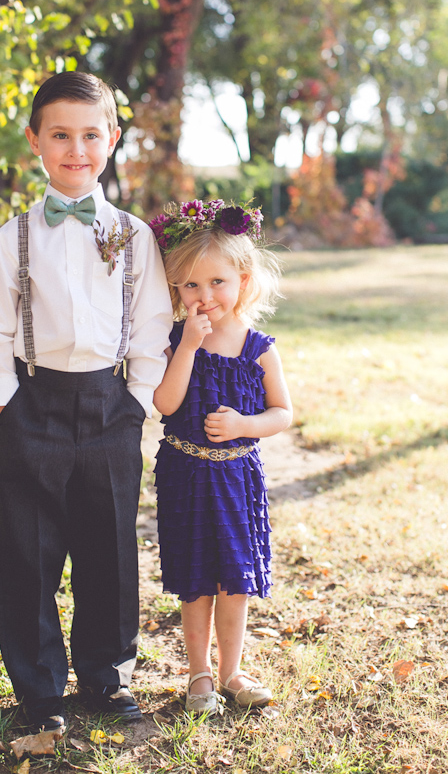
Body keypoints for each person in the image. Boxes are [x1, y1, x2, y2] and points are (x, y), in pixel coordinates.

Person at [0, 72, 172, 734]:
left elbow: (149, 325)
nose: (76, 149)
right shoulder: (14, 238)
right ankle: (40, 687)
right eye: (60, 135)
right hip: (36, 403)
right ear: (36, 142)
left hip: (111, 403)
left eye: (90, 134)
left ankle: (107, 679)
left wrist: (138, 399)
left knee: (108, 544)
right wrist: (5, 399)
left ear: (111, 140)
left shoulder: (135, 236)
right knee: (28, 551)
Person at [149, 199, 292, 717]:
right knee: (196, 580)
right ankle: (199, 676)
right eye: (190, 285)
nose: (204, 296)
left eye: (216, 283)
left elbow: (282, 412)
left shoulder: (258, 347)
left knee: (234, 580)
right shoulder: (172, 340)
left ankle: (232, 671)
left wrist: (244, 426)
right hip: (186, 473)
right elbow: (164, 404)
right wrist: (187, 347)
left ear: (243, 281)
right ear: (175, 290)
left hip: (236, 478)